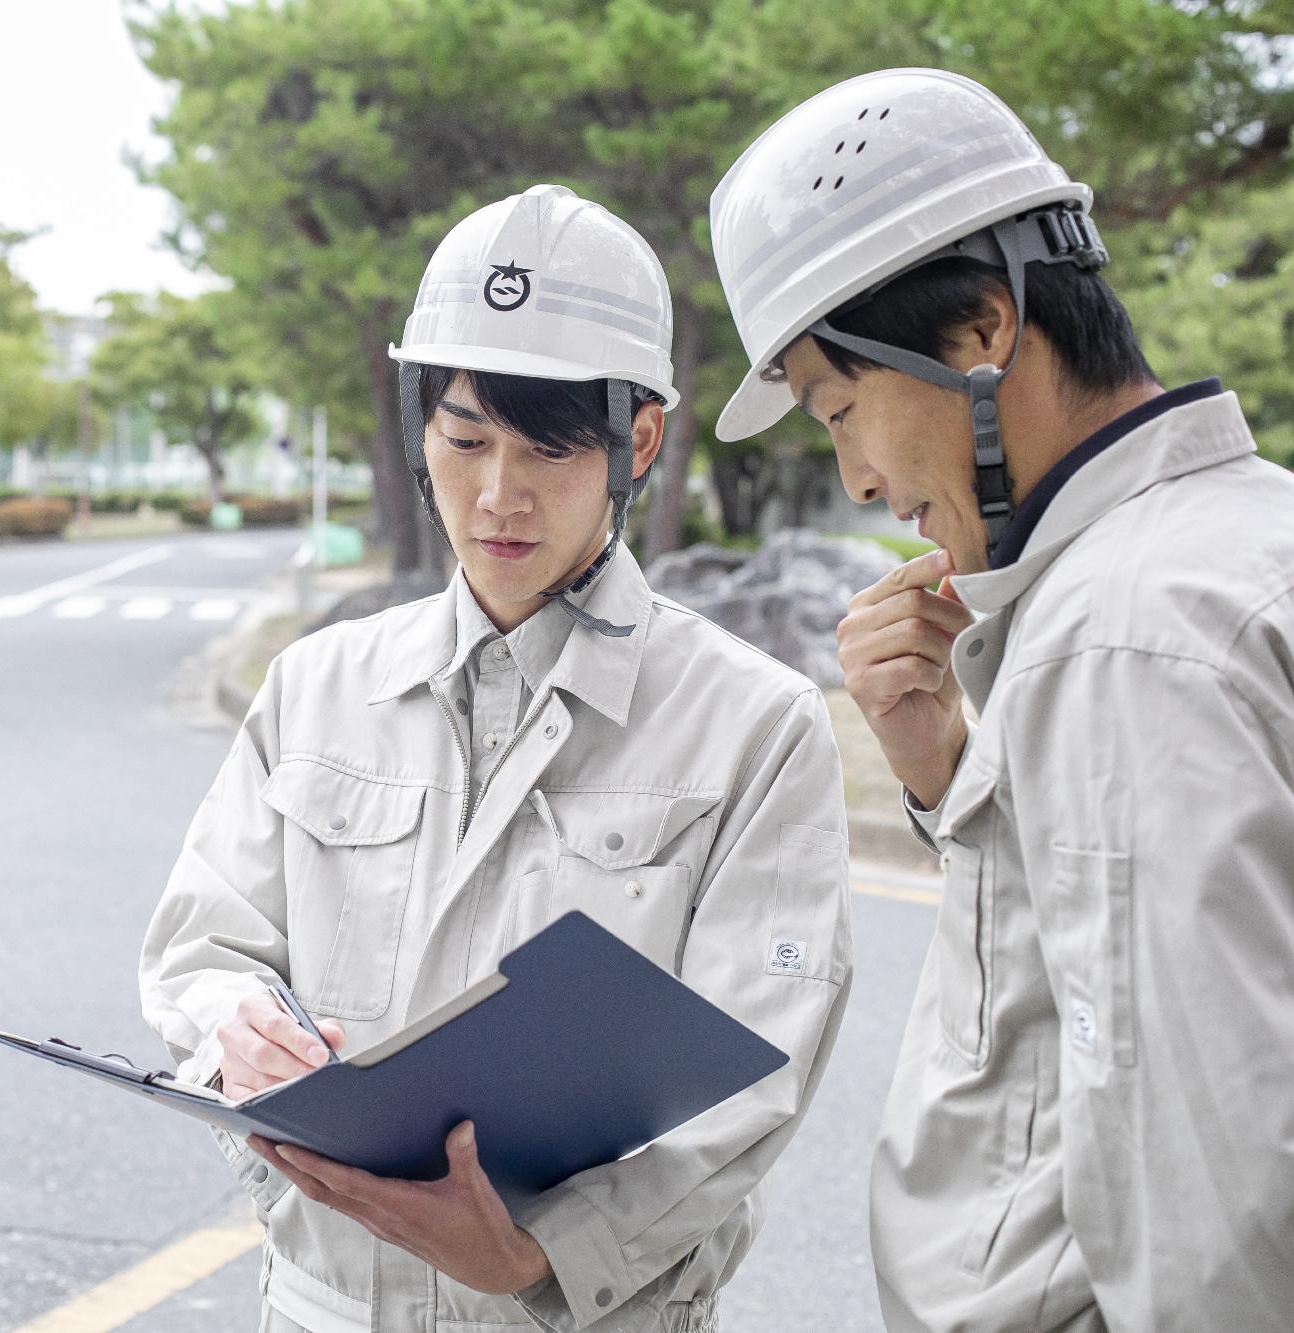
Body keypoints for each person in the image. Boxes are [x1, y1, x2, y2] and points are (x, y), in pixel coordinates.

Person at [141, 184, 852, 1333]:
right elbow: (202, 941)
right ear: (420, 425)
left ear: (638, 440)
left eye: (546, 449)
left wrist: (534, 1252)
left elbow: (754, 1067)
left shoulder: (751, 723)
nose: (495, 494)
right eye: (463, 440)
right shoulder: (316, 686)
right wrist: (236, 1022)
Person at [707, 67, 1294, 1331]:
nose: (856, 480)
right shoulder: (1241, 540)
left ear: (979, 329)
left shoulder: (1122, 639)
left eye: (839, 408)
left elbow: (1209, 1191)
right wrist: (945, 774)